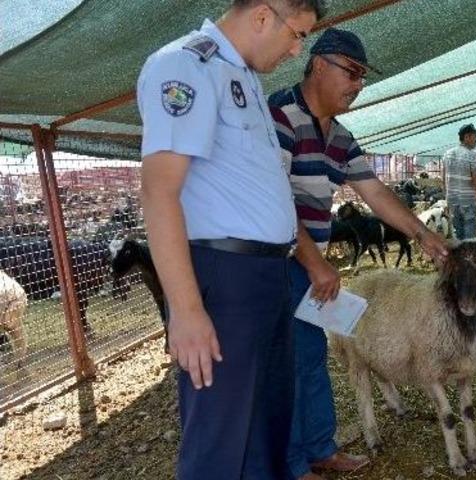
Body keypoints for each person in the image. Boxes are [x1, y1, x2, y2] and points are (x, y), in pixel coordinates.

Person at [137, 1, 323, 478]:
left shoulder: (243, 79)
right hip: (226, 281)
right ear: (264, 16)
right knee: (222, 439)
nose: (297, 49)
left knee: (267, 428)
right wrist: (187, 309)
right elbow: (160, 193)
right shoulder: (185, 66)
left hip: (267, 276)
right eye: (297, 34)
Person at [268, 28, 449, 480]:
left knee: (311, 354)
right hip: (274, 263)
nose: (357, 84)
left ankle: (319, 447)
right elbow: (271, 199)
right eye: (351, 72)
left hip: (308, 267)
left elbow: (375, 193)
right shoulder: (279, 115)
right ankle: (292, 464)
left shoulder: (341, 137)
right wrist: (313, 262)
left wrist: (423, 234)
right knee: (286, 363)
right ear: (317, 64)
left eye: (363, 77)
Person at [441, 124, 476, 239]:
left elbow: (444, 179)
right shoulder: (472, 156)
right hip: (468, 202)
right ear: (467, 137)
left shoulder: (447, 155)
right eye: (475, 136)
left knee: (457, 235)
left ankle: (459, 256)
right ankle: (469, 255)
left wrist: (446, 200)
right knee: (469, 237)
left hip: (452, 202)